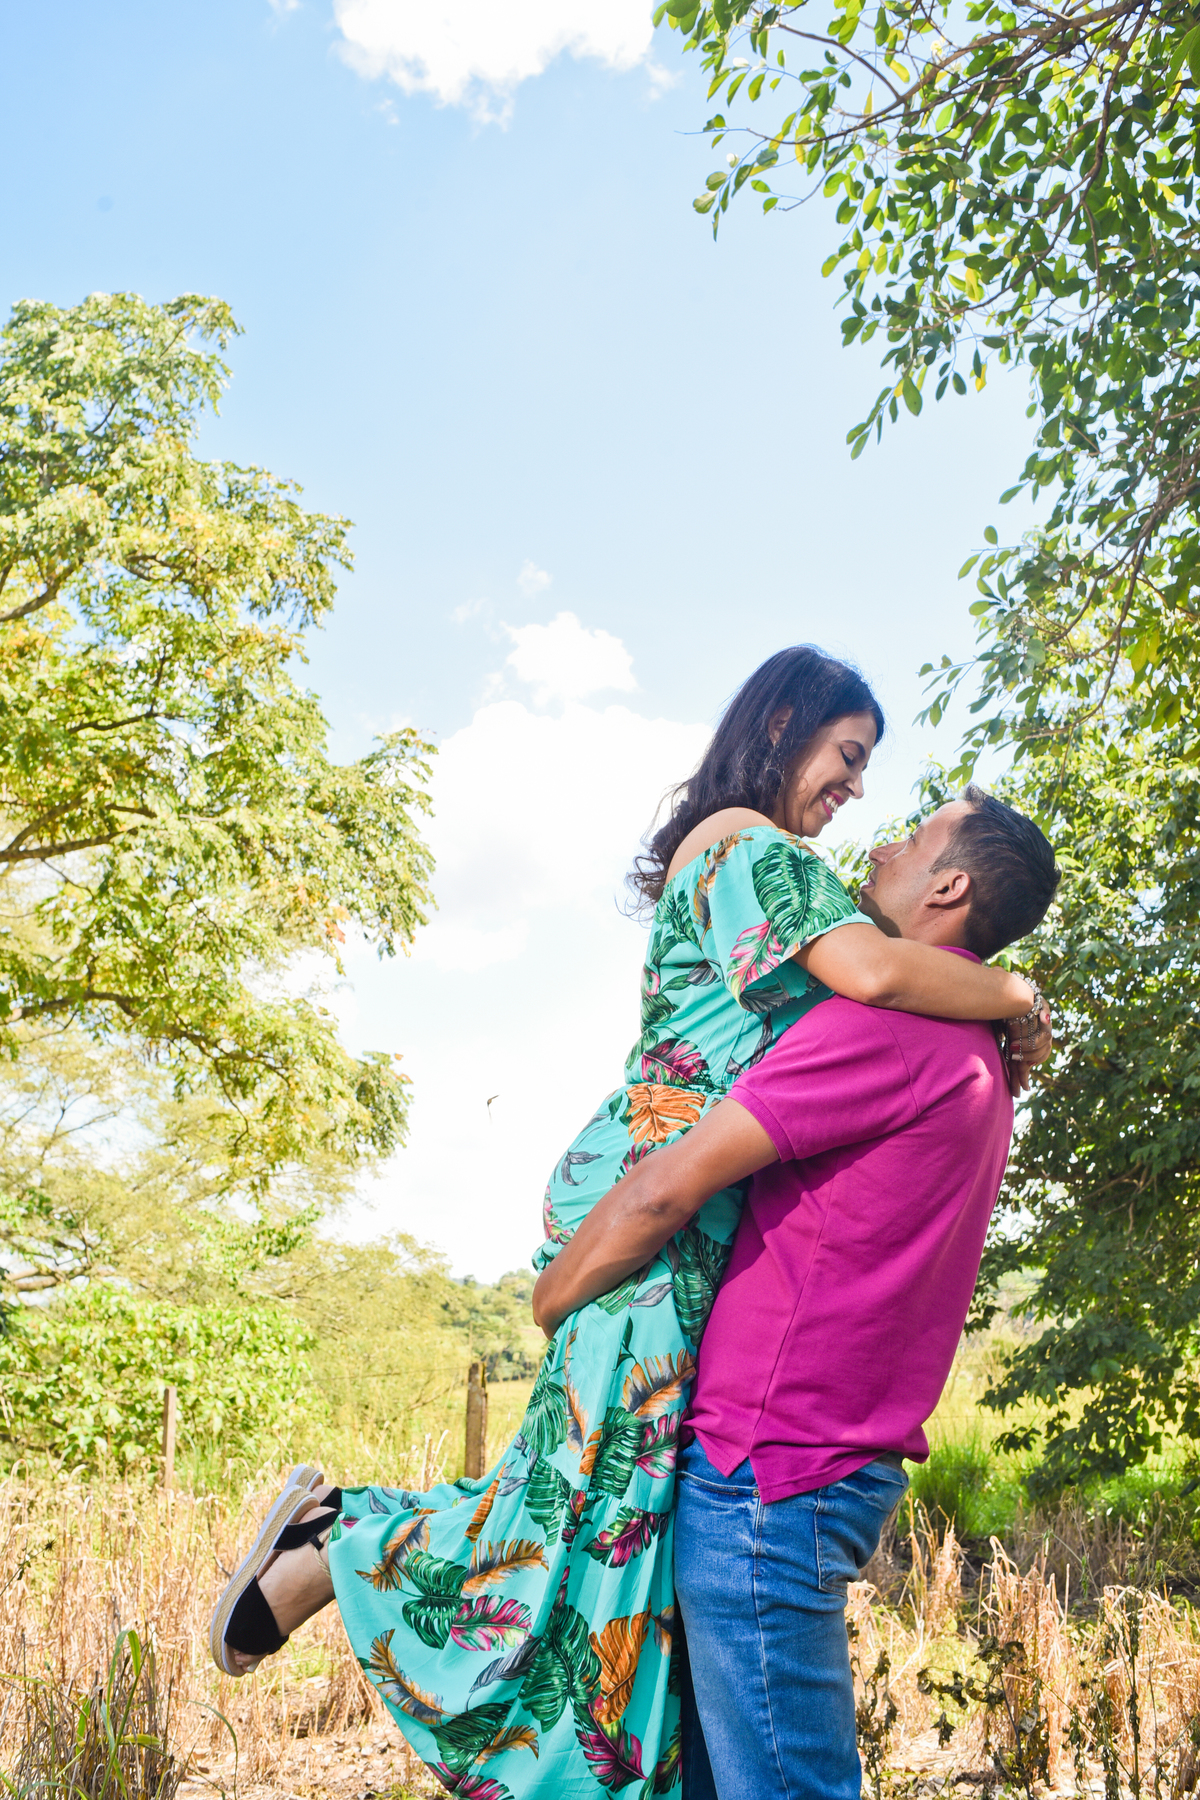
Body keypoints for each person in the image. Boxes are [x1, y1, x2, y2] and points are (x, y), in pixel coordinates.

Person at [209, 647, 1048, 1800]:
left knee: (599, 1522)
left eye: (879, 789)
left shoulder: (804, 897)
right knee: (577, 1512)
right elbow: (883, 973)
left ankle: (346, 1543)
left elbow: (887, 975)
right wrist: (1014, 993)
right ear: (787, 723)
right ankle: (338, 1545)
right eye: (850, 758)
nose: (864, 805)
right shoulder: (760, 850)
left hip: (673, 1219)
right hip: (649, 1205)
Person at [531, 787, 1060, 1800]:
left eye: (916, 835)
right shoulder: (983, 1050)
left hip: (767, 1475)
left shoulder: (883, 1029)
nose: (887, 841)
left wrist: (555, 1296)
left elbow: (669, 1186)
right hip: (821, 1463)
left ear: (948, 885)